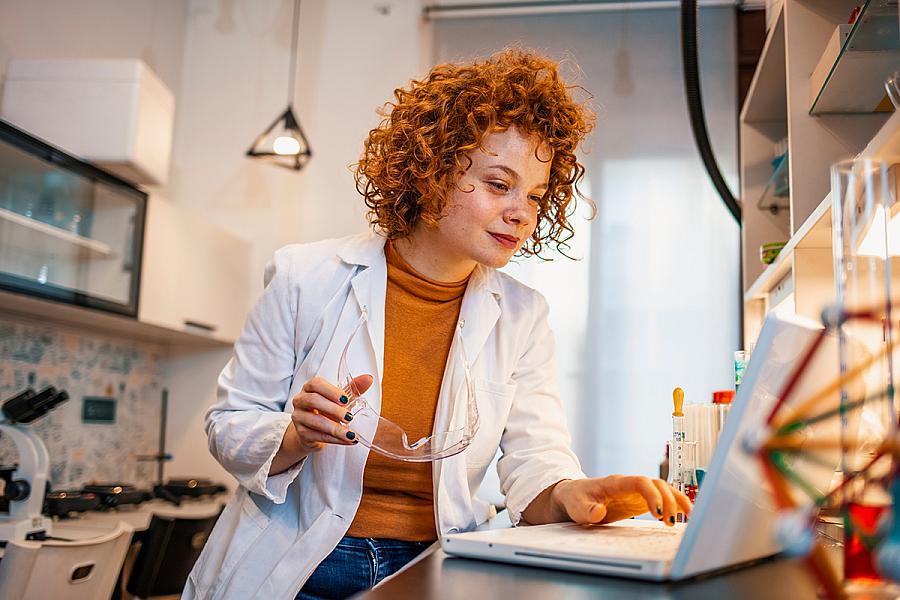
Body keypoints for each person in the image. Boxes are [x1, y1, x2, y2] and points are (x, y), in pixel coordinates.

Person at [184, 48, 692, 600]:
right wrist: (294, 434)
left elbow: (535, 465)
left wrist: (576, 493)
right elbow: (230, 426)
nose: (522, 212)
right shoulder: (305, 276)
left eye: (536, 196)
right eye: (500, 184)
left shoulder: (523, 315)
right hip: (294, 563)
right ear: (429, 171)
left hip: (434, 568)